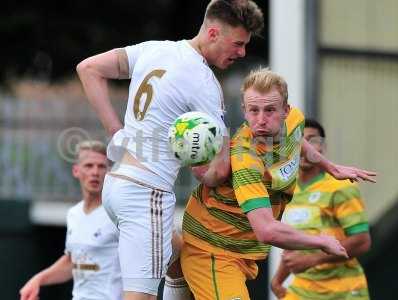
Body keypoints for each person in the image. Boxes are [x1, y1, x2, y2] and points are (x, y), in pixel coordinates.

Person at [76, 1, 265, 299]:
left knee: (180, 255)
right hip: (146, 193)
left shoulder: (155, 48)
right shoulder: (203, 82)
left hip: (116, 186)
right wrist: (216, 163)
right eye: (238, 44)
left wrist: (116, 132)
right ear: (214, 33)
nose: (242, 52)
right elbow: (216, 172)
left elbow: (87, 68)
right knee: (141, 296)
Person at [178, 68, 376, 300]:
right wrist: (320, 242)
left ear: (286, 111)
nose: (261, 120)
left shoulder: (295, 121)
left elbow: (297, 139)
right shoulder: (246, 159)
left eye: (270, 110)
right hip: (211, 249)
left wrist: (331, 167)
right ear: (244, 111)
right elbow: (267, 231)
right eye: (254, 110)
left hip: (242, 249)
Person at [271, 119, 371, 300]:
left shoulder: (340, 187)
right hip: (303, 291)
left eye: (312, 140)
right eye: (300, 140)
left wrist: (313, 259)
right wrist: (277, 280)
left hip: (343, 292)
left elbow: (362, 241)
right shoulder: (286, 190)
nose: (305, 146)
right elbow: (293, 243)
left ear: (322, 148)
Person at [19, 140, 122, 300]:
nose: (95, 172)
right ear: (76, 171)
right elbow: (72, 261)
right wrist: (38, 280)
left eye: (101, 166)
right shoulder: (74, 214)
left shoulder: (118, 213)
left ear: (108, 172)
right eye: (89, 166)